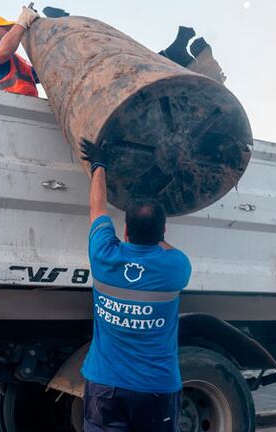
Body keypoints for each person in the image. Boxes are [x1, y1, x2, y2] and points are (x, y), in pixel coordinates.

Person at [79, 139, 192, 432]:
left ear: (124, 230)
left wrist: (98, 165)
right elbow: (164, 248)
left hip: (105, 387)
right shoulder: (176, 267)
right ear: (163, 232)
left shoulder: (104, 256)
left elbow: (97, 209)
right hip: (155, 390)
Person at [0, 6, 41, 96]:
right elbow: (2, 52)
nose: (10, 32)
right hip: (10, 105)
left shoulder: (14, 61)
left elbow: (38, 75)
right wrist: (21, 22)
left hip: (25, 105)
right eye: (7, 29)